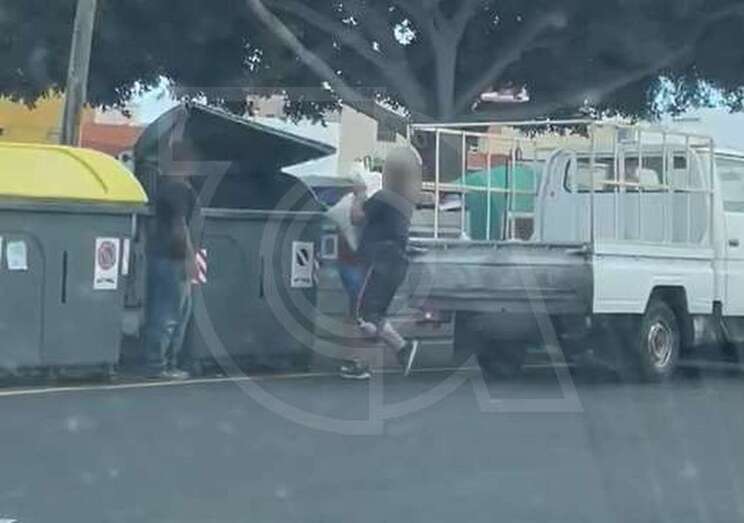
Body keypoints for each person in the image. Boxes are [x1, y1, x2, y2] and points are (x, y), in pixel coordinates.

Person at [340, 147, 422, 380]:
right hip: (395, 263)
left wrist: (359, 194)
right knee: (372, 314)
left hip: (379, 261)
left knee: (363, 313)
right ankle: (392, 352)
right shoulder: (404, 202)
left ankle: (394, 350)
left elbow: (356, 217)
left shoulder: (384, 197)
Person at [143, 178, 198, 380]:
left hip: (161, 257)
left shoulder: (164, 185)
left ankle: (163, 363)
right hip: (173, 259)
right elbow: (180, 226)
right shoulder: (178, 188)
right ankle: (159, 365)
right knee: (171, 315)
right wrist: (189, 258)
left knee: (170, 313)